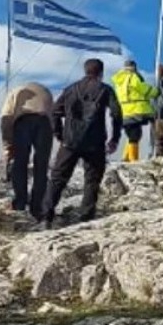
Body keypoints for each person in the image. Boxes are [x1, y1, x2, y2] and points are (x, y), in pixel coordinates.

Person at [41, 58, 122, 229]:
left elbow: (54, 112)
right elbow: (116, 115)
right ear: (101, 73)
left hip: (70, 141)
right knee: (92, 180)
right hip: (95, 142)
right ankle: (86, 218)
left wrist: (59, 134)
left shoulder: (70, 90)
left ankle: (46, 218)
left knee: (57, 179)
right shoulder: (106, 90)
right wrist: (114, 139)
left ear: (85, 71)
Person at [1, 81, 54, 219]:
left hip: (23, 121)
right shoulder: (46, 90)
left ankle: (19, 202)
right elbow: (53, 116)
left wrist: (8, 145)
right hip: (45, 122)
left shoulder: (14, 92)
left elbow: (5, 120)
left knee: (19, 163)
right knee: (41, 165)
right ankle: (37, 206)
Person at [111, 59, 158, 162]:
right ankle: (133, 159)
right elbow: (141, 88)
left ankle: (126, 157)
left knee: (131, 134)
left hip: (124, 111)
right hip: (136, 109)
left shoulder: (119, 80)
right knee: (135, 135)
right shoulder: (132, 76)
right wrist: (155, 92)